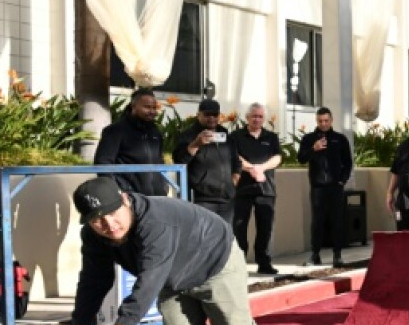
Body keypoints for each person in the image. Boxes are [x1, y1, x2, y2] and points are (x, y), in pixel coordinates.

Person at [67, 176, 261, 325]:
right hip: (171, 276)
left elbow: (151, 275)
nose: (109, 224)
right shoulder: (93, 236)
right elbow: (94, 279)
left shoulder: (156, 221)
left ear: (125, 200)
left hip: (213, 261)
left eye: (113, 212)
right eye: (97, 220)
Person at [298, 107, 354, 268]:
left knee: (337, 220)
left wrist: (342, 181)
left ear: (331, 120)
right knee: (317, 221)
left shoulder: (340, 139)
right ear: (316, 121)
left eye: (326, 121)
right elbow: (301, 158)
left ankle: (337, 254)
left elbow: (348, 162)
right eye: (320, 121)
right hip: (318, 187)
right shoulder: (309, 139)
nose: (323, 124)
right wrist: (313, 149)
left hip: (335, 187)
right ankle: (315, 253)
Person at [229, 103, 282, 275]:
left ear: (264, 119)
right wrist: (252, 168)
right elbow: (234, 157)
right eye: (254, 116)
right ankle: (239, 263)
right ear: (247, 118)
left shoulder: (271, 137)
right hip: (242, 189)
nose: (257, 119)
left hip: (265, 189)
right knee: (239, 227)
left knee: (265, 228)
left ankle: (264, 262)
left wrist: (261, 168)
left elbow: (278, 158)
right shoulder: (236, 136)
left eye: (260, 117)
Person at [172, 98, 239, 226]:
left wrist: (234, 180)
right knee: (204, 239)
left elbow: (236, 160)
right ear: (199, 115)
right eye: (207, 115)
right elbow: (179, 161)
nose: (212, 118)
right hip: (202, 199)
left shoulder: (225, 134)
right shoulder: (187, 135)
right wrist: (196, 144)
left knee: (225, 238)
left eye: (215, 115)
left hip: (226, 198)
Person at [94, 87, 169, 197]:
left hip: (156, 197)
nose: (152, 111)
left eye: (154, 108)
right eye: (147, 107)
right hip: (129, 198)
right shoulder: (115, 131)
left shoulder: (155, 132)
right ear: (134, 106)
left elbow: (159, 161)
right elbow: (103, 163)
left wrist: (163, 186)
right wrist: (118, 191)